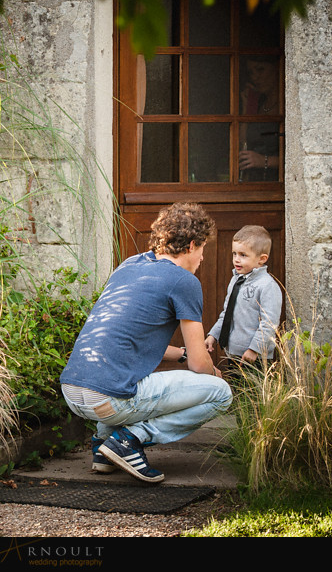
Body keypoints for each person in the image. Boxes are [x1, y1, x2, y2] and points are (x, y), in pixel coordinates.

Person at [59, 203, 232, 484]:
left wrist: (180, 354)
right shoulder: (184, 281)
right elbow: (201, 365)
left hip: (73, 391)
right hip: (108, 399)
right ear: (191, 245)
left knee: (128, 379)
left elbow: (131, 338)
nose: (202, 258)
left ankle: (103, 446)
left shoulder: (130, 265)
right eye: (202, 249)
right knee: (220, 393)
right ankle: (129, 440)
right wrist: (215, 373)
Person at [205, 225, 283, 366]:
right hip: (233, 352)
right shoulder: (235, 280)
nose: (236, 259)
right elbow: (227, 313)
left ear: (262, 259)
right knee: (235, 388)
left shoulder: (267, 285)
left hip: (255, 357)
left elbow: (269, 323)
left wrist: (254, 349)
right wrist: (213, 335)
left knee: (252, 388)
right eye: (234, 254)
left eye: (243, 255)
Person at [239, 57, 281, 182]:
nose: (255, 77)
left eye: (260, 69)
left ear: (277, 69)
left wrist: (264, 161)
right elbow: (243, 141)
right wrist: (248, 106)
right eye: (251, 72)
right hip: (254, 180)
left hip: (277, 182)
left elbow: (299, 156)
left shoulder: (287, 105)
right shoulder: (260, 104)